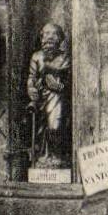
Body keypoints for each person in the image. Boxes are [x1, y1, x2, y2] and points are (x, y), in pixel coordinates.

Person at [26, 22, 72, 167]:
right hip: (41, 98)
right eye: (46, 34)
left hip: (57, 98)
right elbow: (31, 77)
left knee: (55, 126)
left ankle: (57, 156)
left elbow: (69, 81)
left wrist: (59, 86)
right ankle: (43, 156)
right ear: (41, 37)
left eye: (53, 34)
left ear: (59, 38)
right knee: (42, 129)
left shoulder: (65, 58)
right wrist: (31, 89)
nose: (49, 37)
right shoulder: (36, 56)